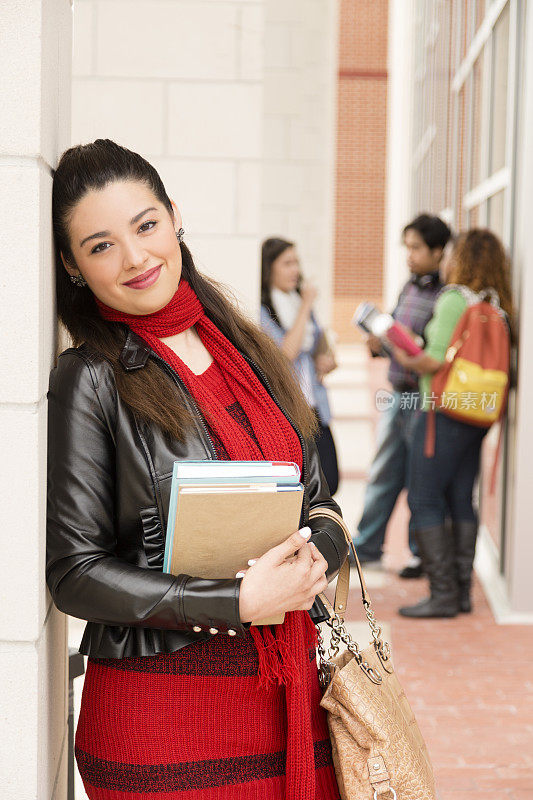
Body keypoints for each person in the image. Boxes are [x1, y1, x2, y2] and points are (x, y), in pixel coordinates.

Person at [46, 139, 349, 800]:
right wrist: (237, 602)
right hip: (161, 720)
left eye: (145, 225)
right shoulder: (89, 377)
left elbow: (320, 501)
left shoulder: (249, 348)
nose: (134, 258)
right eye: (100, 246)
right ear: (72, 265)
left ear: (173, 217)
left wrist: (313, 560)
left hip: (289, 690)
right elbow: (74, 573)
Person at [393, 229, 513, 618]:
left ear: (460, 260)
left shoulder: (453, 300)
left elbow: (432, 361)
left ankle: (443, 595)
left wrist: (400, 349)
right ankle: (460, 593)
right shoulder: (501, 304)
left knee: (425, 497)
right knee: (462, 498)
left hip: (443, 410)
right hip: (478, 413)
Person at [354, 214, 452, 575]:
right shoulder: (408, 288)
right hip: (398, 395)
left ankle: (418, 554)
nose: (409, 255)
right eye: (407, 247)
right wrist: (377, 343)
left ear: (438, 251)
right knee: (384, 472)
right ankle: (367, 546)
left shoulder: (446, 297)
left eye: (416, 248)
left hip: (422, 399)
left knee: (419, 478)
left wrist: (401, 348)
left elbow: (430, 353)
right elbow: (394, 332)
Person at [260, 238, 339, 495]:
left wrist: (324, 359)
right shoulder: (262, 311)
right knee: (298, 487)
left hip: (315, 405)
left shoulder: (299, 303)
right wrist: (305, 304)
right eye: (287, 263)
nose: (295, 270)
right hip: (288, 410)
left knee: (331, 480)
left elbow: (320, 343)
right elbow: (286, 354)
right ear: (269, 267)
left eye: (297, 263)